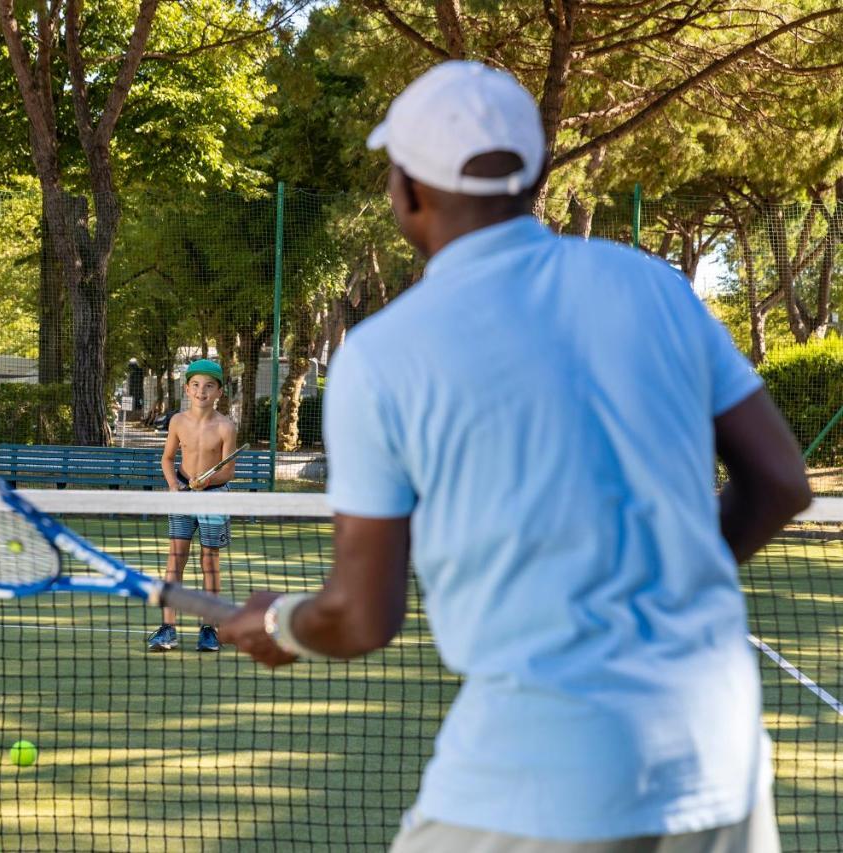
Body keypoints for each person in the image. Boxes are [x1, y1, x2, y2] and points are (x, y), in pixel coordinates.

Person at [218, 61, 810, 852]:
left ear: (408, 193)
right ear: (533, 179)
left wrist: (283, 622)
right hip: (720, 761)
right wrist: (658, 580)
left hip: (539, 778)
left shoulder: (382, 354)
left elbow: (363, 614)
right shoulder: (654, 287)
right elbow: (780, 481)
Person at [147, 358, 239, 653]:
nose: (202, 391)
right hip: (183, 496)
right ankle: (167, 629)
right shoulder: (177, 422)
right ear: (187, 389)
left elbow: (228, 471)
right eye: (196, 385)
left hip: (214, 498)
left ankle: (209, 628)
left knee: (209, 562)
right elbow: (167, 459)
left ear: (219, 392)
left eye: (209, 386)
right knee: (175, 560)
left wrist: (207, 483)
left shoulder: (226, 427)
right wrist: (175, 485)